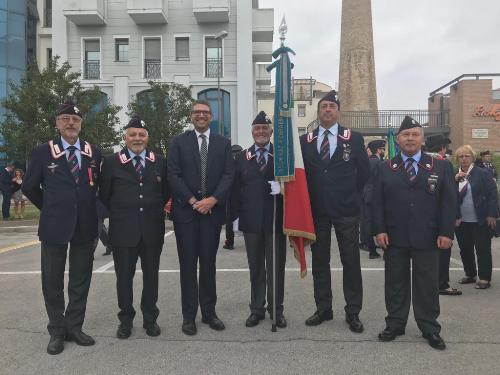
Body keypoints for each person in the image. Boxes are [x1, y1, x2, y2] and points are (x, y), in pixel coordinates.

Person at [22, 101, 101, 355]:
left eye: (75, 120)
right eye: (65, 119)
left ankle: (74, 327)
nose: (70, 123)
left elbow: (96, 187)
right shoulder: (43, 152)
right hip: (55, 226)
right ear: (57, 123)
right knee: (52, 281)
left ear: (81, 124)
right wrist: (50, 207)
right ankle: (57, 330)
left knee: (80, 280)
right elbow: (29, 186)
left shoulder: (93, 152)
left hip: (85, 225)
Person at [372, 116, 456, 350]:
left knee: (427, 284)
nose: (410, 138)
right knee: (395, 283)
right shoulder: (385, 167)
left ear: (422, 139)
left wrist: (446, 232)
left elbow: (448, 203)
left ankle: (429, 327)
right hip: (394, 237)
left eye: (415, 134)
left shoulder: (440, 166)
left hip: (428, 236)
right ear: (398, 140)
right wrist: (378, 230)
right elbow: (376, 202)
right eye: (406, 135)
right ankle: (395, 324)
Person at [299, 90, 370, 332]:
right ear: (318, 112)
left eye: (332, 106)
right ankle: (323, 308)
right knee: (320, 262)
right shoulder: (305, 141)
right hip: (317, 211)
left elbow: (364, 174)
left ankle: (353, 312)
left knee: (351, 262)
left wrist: (353, 198)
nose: (327, 110)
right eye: (323, 106)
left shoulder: (354, 138)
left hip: (346, 211)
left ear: (338, 111)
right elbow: (303, 176)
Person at [100, 115, 170, 339]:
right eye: (133, 135)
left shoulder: (159, 161)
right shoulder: (111, 162)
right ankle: (126, 320)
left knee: (151, 277)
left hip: (152, 230)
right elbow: (104, 194)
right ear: (125, 137)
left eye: (141, 135)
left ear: (147, 137)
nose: (137, 138)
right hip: (123, 231)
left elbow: (165, 191)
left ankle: (150, 319)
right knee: (124, 278)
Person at [168, 100, 233, 336]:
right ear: (191, 116)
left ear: (212, 116)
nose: (201, 116)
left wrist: (213, 200)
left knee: (208, 265)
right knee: (187, 266)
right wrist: (193, 201)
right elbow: (173, 175)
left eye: (205, 112)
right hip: (186, 214)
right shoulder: (178, 142)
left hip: (211, 214)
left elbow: (228, 175)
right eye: (197, 112)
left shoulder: (223, 144)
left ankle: (209, 313)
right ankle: (189, 316)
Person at [232, 111, 287, 328]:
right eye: (257, 129)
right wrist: (235, 218)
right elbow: (235, 190)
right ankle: (256, 309)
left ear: (271, 132)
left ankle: (277, 310)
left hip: (275, 220)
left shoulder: (281, 157)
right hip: (251, 221)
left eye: (265, 129)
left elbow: (295, 186)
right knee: (255, 267)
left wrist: (282, 189)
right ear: (252, 132)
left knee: (276, 268)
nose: (261, 132)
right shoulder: (242, 158)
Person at [454, 145, 498, 290]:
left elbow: (492, 194)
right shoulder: (454, 174)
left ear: (472, 157)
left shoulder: (482, 173)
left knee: (482, 248)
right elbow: (449, 197)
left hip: (481, 219)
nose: (464, 159)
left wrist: (492, 214)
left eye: (467, 156)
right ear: (457, 159)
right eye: (461, 156)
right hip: (461, 220)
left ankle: (485, 278)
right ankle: (470, 274)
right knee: (465, 248)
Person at [425, 134, 461, 296]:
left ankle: (429, 283)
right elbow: (451, 195)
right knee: (443, 251)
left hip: (423, 218)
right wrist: (456, 215)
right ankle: (442, 284)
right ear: (442, 148)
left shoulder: (420, 162)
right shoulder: (443, 163)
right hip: (441, 218)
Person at [361, 140, 386, 259]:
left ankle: (371, 249)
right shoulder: (379, 163)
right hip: (376, 194)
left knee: (368, 222)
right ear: (378, 150)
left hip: (366, 194)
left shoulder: (368, 161)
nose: (384, 151)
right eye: (382, 149)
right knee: (380, 221)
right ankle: (382, 250)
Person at [223, 144, 243, 250]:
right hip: (243, 195)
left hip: (230, 196)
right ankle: (251, 240)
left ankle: (229, 242)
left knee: (230, 220)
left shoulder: (227, 164)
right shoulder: (244, 162)